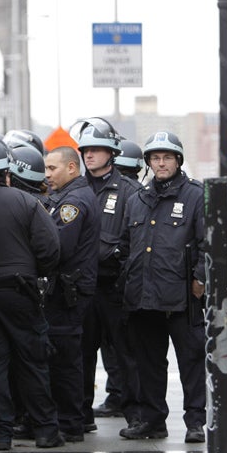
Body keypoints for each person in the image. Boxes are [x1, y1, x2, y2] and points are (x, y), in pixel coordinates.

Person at [0, 137, 64, 451]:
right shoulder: (26, 202)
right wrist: (35, 272)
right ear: (6, 172)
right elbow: (50, 249)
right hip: (20, 292)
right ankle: (46, 431)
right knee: (32, 361)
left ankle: (1, 435)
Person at [118, 131, 206, 443]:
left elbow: (206, 245)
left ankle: (196, 422)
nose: (161, 163)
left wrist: (199, 280)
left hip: (182, 298)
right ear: (148, 163)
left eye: (167, 157)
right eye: (155, 158)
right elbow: (126, 246)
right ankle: (153, 420)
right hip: (143, 297)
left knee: (191, 362)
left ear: (178, 160)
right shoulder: (136, 199)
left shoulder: (195, 196)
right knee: (148, 365)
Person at [71, 118, 142, 429]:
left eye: (96, 150)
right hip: (82, 286)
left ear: (111, 152)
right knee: (81, 354)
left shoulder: (130, 191)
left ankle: (136, 416)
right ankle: (81, 416)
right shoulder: (75, 187)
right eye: (86, 150)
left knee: (127, 354)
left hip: (114, 286)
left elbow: (138, 238)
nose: (89, 155)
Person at [42, 146, 101, 442]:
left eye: (52, 169)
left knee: (65, 360)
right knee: (64, 357)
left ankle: (70, 423)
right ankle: (69, 420)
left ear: (71, 168)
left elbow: (59, 248)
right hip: (69, 287)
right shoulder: (69, 196)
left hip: (68, 291)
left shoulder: (73, 201)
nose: (47, 174)